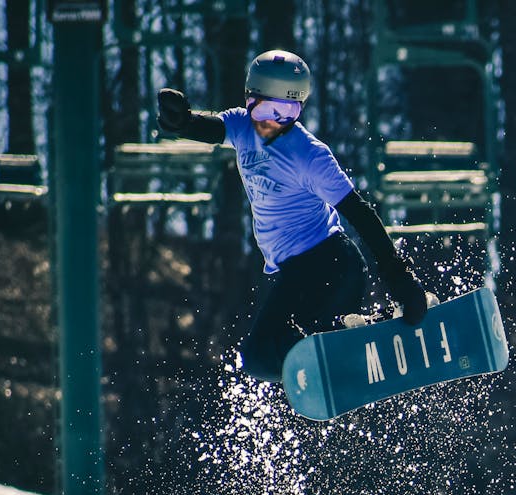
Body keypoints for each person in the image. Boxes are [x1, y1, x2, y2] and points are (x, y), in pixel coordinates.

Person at [155, 49, 428, 384]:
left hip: (330, 265)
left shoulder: (308, 154)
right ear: (249, 100)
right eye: (263, 109)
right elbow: (209, 128)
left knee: (273, 351)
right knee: (259, 360)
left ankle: (364, 338)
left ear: (298, 110)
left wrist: (399, 278)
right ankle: (354, 340)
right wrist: (182, 123)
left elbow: (360, 214)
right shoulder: (242, 127)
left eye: (286, 112)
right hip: (296, 272)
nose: (271, 122)